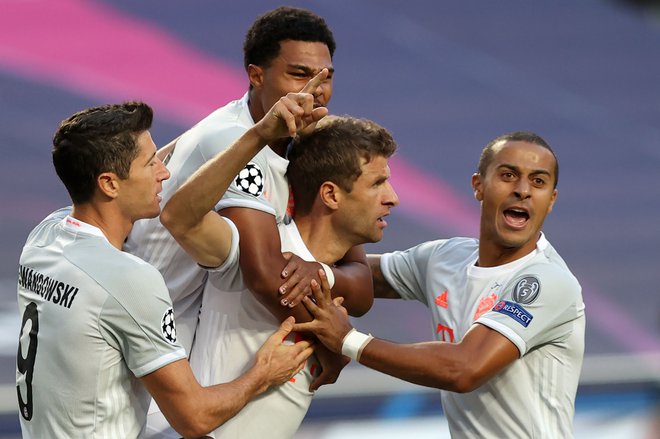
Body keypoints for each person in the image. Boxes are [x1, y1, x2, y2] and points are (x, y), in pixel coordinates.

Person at [15, 101, 315, 438]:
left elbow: (143, 161)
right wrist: (262, 374)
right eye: (150, 163)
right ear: (109, 184)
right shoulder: (128, 280)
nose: (165, 172)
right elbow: (194, 417)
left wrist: (256, 133)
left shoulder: (44, 237)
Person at [294, 132, 586, 438]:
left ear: (551, 200)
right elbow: (350, 274)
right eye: (508, 175)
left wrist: (346, 341)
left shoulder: (547, 280)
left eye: (538, 182)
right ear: (478, 186)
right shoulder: (446, 258)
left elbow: (464, 369)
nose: (523, 191)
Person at [124, 6, 371, 360]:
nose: (316, 91)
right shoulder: (229, 139)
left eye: (326, 77)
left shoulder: (307, 142)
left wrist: (324, 274)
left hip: (199, 344)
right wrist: (331, 348)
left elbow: (361, 283)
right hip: (154, 346)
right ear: (256, 75)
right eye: (300, 75)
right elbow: (268, 278)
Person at [158, 114, 399, 438]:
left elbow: (361, 292)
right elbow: (179, 218)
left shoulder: (337, 278)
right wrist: (255, 136)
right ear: (330, 195)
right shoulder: (255, 253)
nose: (393, 197)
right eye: (377, 183)